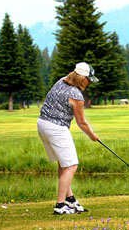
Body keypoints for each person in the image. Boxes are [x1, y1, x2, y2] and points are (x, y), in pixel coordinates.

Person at [37, 62, 100, 215]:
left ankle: (69, 199)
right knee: (71, 166)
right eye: (88, 80)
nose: (89, 83)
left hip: (42, 124)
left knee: (64, 165)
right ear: (81, 78)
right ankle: (59, 206)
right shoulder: (76, 96)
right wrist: (93, 136)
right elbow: (81, 122)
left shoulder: (61, 81)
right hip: (56, 128)